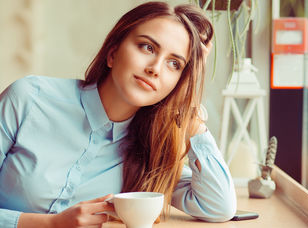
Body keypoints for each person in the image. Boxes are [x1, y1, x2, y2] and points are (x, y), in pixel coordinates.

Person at [0, 1, 237, 227]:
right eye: (147, 47)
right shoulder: (29, 98)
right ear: (112, 53)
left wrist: (188, 105)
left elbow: (218, 206)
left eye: (174, 64)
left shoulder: (150, 152)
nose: (155, 69)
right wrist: (49, 225)